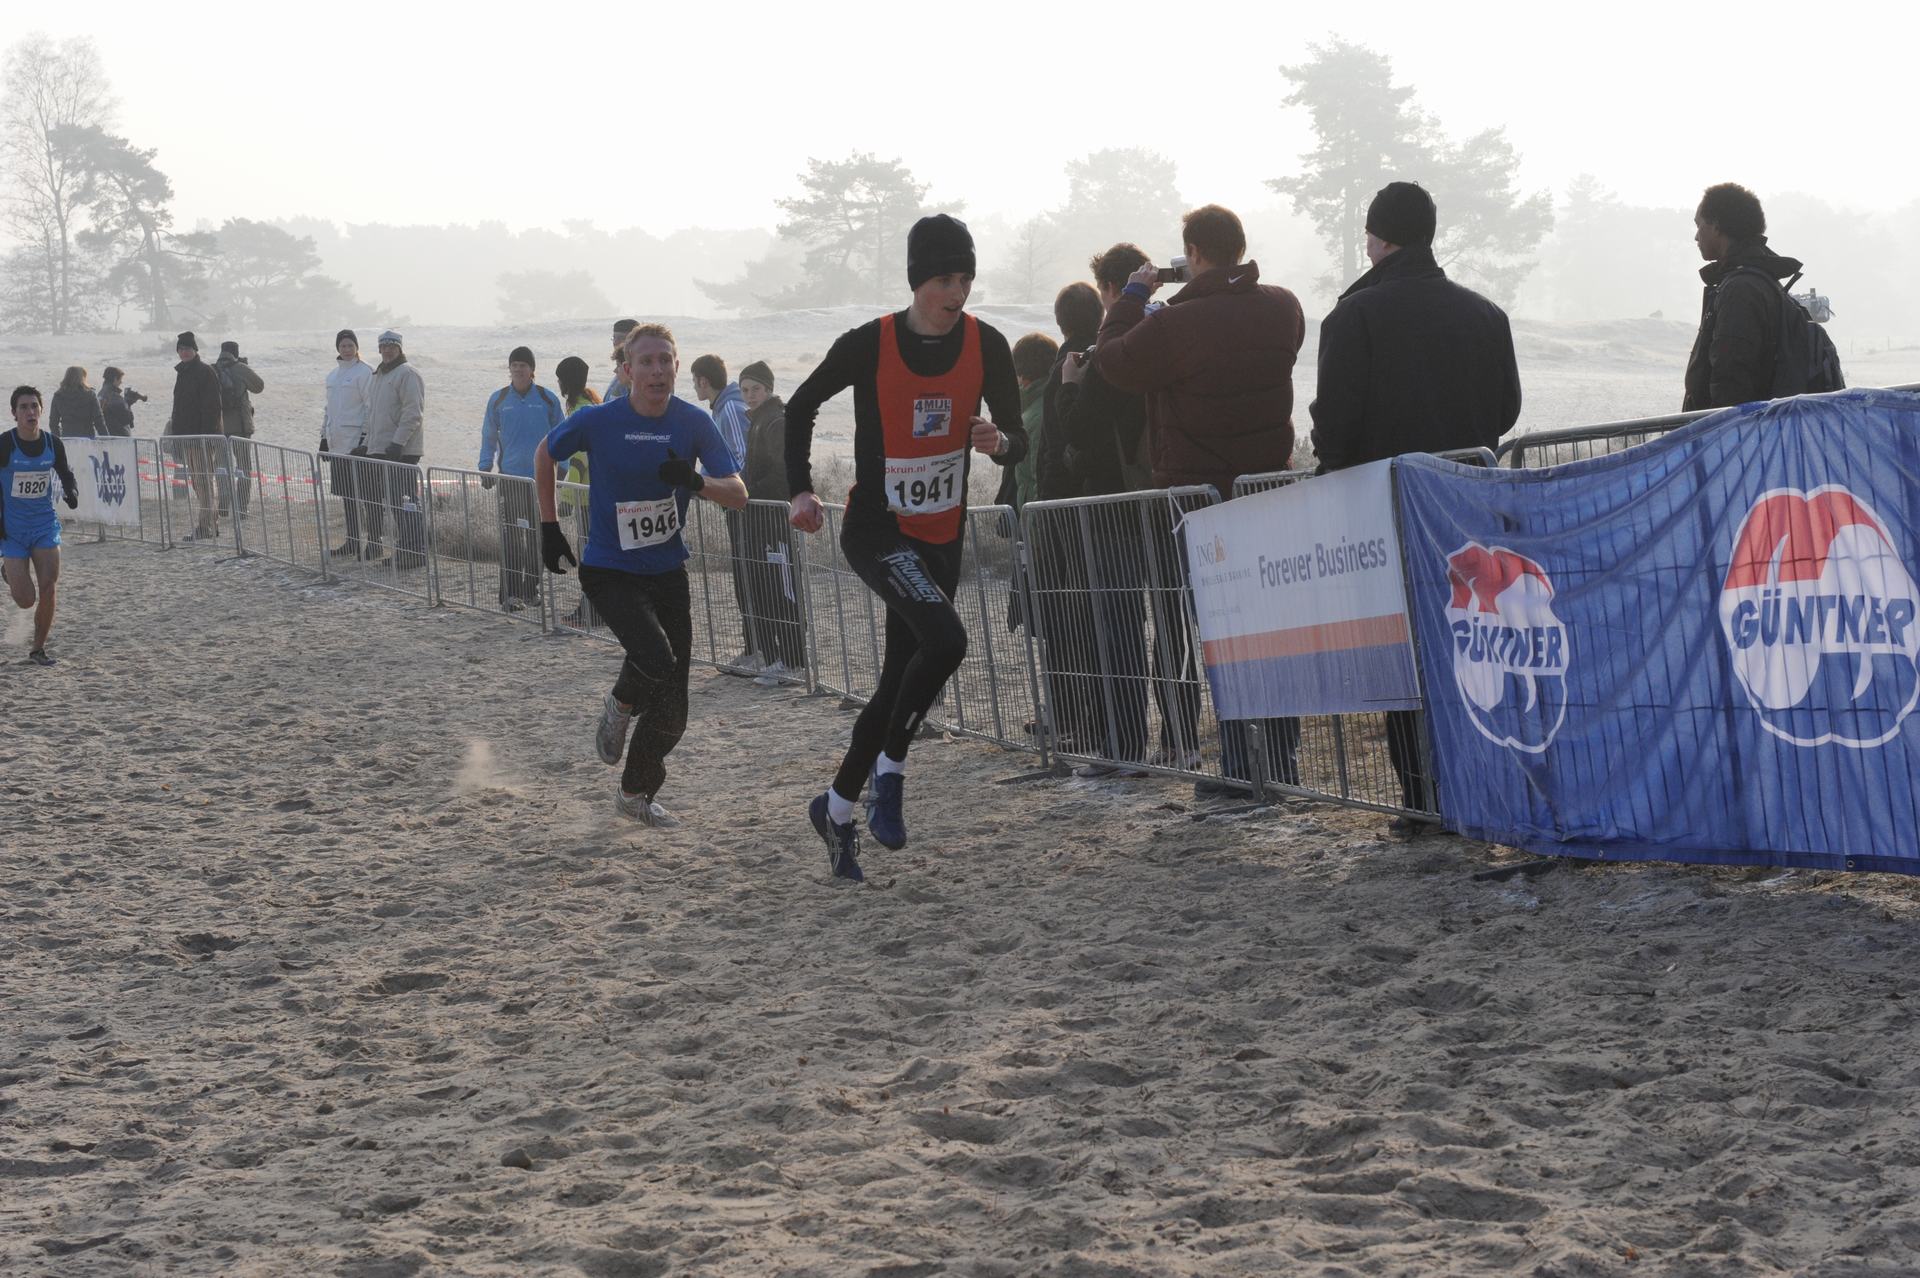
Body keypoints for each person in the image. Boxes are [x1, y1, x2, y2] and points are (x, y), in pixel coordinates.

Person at [786, 213, 1027, 881]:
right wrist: (799, 489)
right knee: (947, 641)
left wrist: (1000, 442)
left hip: (941, 538)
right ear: (918, 281)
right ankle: (890, 775)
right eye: (944, 279)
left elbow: (1017, 438)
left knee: (897, 683)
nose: (957, 291)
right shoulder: (871, 343)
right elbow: (800, 406)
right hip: (878, 530)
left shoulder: (988, 343)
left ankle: (835, 809)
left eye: (966, 278)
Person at [1309, 180, 1522, 833]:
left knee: (1404, 652)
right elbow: (1506, 409)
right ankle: (1482, 780)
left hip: (1386, 507)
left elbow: (1335, 424)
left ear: (1377, 239)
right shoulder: (1485, 314)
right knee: (1473, 641)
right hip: (1467, 505)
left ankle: (1421, 795)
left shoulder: (1355, 317)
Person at [1094, 204, 1306, 801]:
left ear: (1192, 253)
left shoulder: (1176, 324)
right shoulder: (1284, 307)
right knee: (1266, 631)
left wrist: (1132, 297)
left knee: (1216, 630)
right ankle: (1280, 761)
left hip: (1197, 495)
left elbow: (1114, 361)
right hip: (1266, 490)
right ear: (1240, 246)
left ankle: (1239, 768)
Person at [534, 322, 748, 826]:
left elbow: (738, 494)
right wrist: (549, 526)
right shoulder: (599, 419)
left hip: (668, 570)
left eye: (665, 361)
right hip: (609, 568)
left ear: (677, 367)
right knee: (654, 655)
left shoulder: (693, 422)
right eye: (646, 362)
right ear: (627, 370)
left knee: (674, 709)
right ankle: (620, 704)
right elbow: (545, 453)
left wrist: (695, 481)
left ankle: (634, 795)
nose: (657, 370)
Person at [1053, 252, 1158, 776]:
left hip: (1113, 504)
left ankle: (1124, 746)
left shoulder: (1107, 352)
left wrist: (1070, 385)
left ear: (1111, 289)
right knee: (1169, 626)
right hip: (1161, 497)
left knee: (1117, 628)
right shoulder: (1161, 333)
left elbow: (1078, 429)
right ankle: (1179, 741)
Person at [1683, 183, 1805, 411]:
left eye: (1699, 225)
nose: (1696, 236)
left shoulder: (1740, 290)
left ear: (1716, 225)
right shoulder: (1762, 280)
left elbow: (1731, 381)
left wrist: (1719, 428)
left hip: (1733, 429)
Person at [478, 345, 565, 608]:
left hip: (542, 481)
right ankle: (510, 594)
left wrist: (563, 467)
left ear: (532, 369)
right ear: (509, 368)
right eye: (514, 365)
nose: (518, 369)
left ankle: (531, 590)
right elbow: (488, 434)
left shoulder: (548, 399)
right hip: (510, 480)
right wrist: (485, 466)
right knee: (512, 538)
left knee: (540, 537)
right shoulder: (499, 399)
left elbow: (562, 435)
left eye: (523, 365)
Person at [738, 360, 806, 685]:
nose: (750, 395)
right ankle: (779, 658)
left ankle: (794, 662)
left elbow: (784, 473)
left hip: (776, 521)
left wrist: (747, 493)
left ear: (769, 389)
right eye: (745, 390)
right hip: (759, 520)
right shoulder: (757, 421)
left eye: (756, 389)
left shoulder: (776, 421)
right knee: (766, 591)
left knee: (783, 590)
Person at [692, 354, 761, 672]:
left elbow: (739, 458)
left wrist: (712, 485)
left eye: (695, 381)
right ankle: (753, 648)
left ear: (703, 381)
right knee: (744, 576)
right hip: (736, 502)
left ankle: (756, 650)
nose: (694, 387)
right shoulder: (724, 407)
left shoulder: (730, 408)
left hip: (743, 505)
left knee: (749, 576)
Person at [1, 386, 79, 666]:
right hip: (12, 531)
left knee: (49, 587)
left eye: (34, 406)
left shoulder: (52, 443)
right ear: (14, 413)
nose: (30, 411)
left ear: (41, 410)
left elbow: (66, 474)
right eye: (24, 407)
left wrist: (72, 491)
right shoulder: (5, 444)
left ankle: (38, 649)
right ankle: (8, 570)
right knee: (25, 599)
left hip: (45, 525)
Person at [360, 330, 427, 568]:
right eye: (384, 346)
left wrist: (398, 443)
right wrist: (366, 445)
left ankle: (416, 552)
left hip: (402, 450)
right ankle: (405, 550)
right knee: (397, 504)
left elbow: (413, 413)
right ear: (379, 349)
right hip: (382, 449)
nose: (387, 350)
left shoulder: (408, 374)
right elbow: (374, 414)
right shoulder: (379, 375)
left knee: (406, 502)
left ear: (399, 348)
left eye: (392, 346)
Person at [167, 331, 225, 540]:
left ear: (195, 350)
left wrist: (204, 436)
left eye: (188, 349)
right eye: (181, 349)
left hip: (201, 438)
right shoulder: (183, 372)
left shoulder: (204, 372)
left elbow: (212, 408)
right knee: (198, 482)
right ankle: (210, 523)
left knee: (203, 482)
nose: (184, 352)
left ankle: (205, 526)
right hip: (188, 438)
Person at [321, 330, 374, 559]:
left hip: (357, 445)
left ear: (357, 347)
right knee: (347, 495)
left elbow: (371, 407)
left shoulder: (366, 372)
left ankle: (373, 543)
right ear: (337, 348)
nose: (347, 349)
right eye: (343, 345)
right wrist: (324, 438)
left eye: (350, 345)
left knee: (367, 496)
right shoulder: (333, 376)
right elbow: (329, 409)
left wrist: (365, 438)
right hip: (338, 445)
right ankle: (352, 541)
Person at [213, 340, 264, 519]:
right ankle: (241, 506)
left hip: (219, 427)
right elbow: (259, 386)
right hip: (240, 427)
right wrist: (245, 367)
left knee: (221, 466)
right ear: (236, 352)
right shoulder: (240, 368)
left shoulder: (212, 369)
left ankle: (223, 501)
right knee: (243, 467)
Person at [48, 367, 104, 439]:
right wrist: (107, 440)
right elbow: (98, 420)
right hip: (88, 438)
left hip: (67, 438)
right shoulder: (90, 394)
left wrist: (57, 440)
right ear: (82, 378)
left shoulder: (58, 395)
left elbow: (53, 423)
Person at [97, 368, 144, 437]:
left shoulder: (100, 394)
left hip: (106, 436)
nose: (121, 382)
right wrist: (128, 403)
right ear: (115, 379)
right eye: (120, 379)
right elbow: (127, 419)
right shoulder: (114, 397)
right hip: (119, 437)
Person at [605, 319, 638, 400]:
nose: (615, 342)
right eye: (614, 338)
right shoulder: (619, 372)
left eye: (621, 338)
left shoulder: (637, 374)